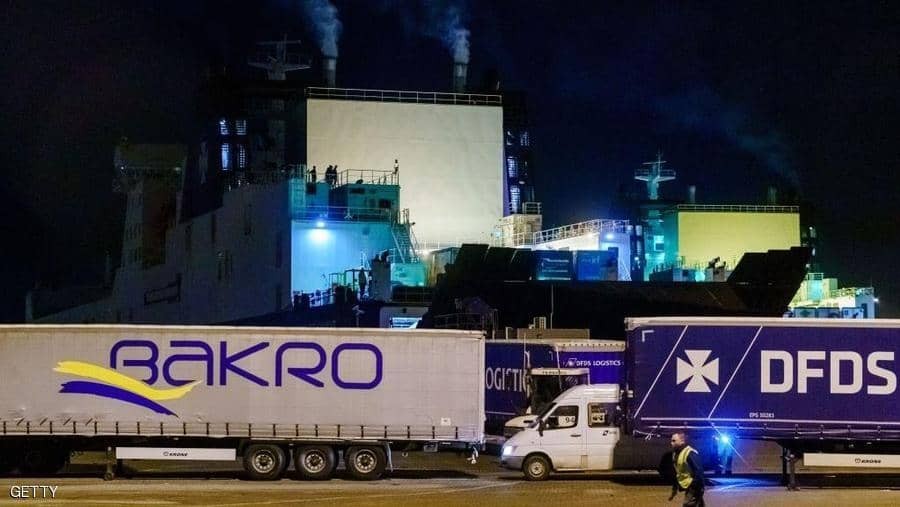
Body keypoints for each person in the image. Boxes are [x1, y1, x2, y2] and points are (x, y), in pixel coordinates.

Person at [669, 432, 705, 506]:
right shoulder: (675, 454)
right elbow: (677, 473)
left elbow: (699, 472)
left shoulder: (690, 453)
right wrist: (674, 489)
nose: (671, 443)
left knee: (688, 504)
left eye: (674, 441)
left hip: (695, 486)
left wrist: (693, 486)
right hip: (689, 485)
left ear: (682, 441)